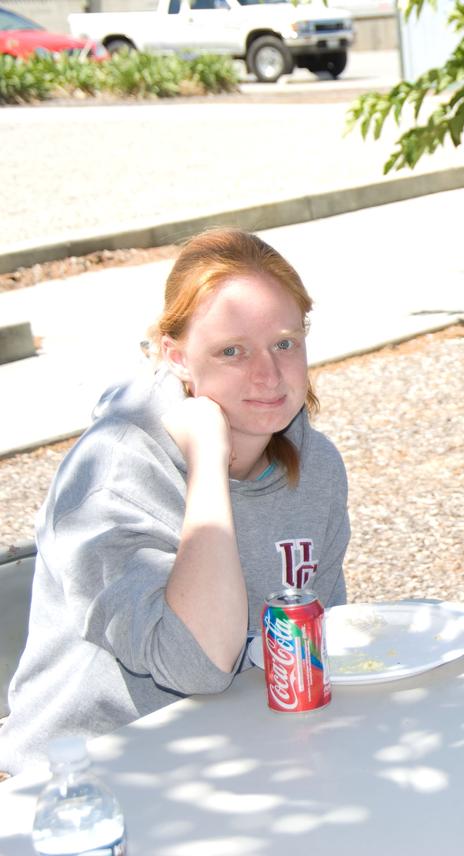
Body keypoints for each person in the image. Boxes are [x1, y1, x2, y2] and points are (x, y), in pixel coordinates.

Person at [0, 228, 349, 775]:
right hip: (86, 783)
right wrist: (208, 463)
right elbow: (198, 665)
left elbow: (321, 647)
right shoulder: (112, 474)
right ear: (176, 357)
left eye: (284, 343)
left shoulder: (316, 466)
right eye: (231, 351)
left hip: (244, 753)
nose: (268, 374)